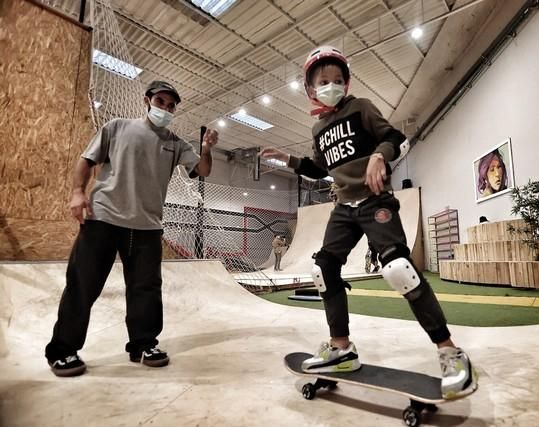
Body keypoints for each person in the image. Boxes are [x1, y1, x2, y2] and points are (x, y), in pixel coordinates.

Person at [261, 46, 477, 399]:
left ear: (345, 83)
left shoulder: (359, 108)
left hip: (376, 201)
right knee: (324, 269)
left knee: (398, 270)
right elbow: (320, 168)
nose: (331, 85)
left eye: (337, 80)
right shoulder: (319, 128)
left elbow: (394, 136)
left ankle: (450, 352)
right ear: (311, 89)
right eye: (323, 82)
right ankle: (341, 348)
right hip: (344, 208)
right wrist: (288, 159)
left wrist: (379, 155)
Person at [44, 81, 218, 377]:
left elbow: (202, 170)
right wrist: (77, 192)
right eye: (160, 102)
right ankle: (63, 350)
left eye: (171, 105)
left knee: (146, 290)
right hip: (103, 219)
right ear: (147, 101)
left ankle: (143, 345)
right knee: (83, 285)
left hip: (147, 227)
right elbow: (87, 160)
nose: (165, 109)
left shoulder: (175, 143)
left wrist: (206, 149)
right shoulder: (118, 127)